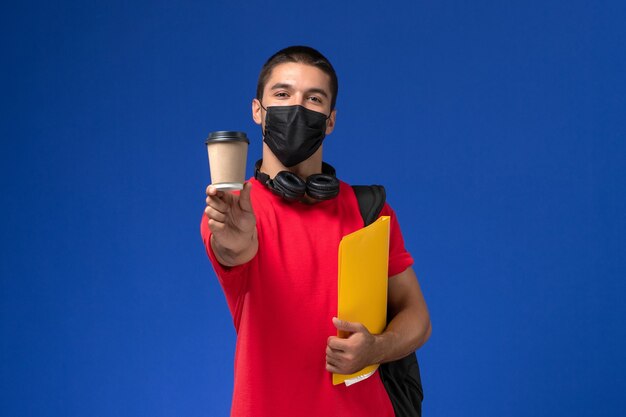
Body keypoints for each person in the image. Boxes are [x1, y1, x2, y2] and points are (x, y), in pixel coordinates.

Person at [201, 46, 431, 417]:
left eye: (313, 98)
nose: (297, 106)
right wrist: (235, 241)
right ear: (257, 111)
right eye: (282, 94)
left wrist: (378, 347)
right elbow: (232, 249)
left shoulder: (369, 210)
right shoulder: (235, 211)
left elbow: (417, 316)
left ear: (330, 120)